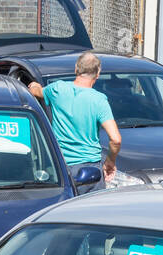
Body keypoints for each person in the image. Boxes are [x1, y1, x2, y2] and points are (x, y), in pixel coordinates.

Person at [28, 51, 121, 193]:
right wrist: (110, 161)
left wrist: (33, 85)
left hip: (61, 169)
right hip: (91, 172)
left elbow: (37, 92)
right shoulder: (99, 100)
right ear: (98, 74)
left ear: (76, 69)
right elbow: (115, 139)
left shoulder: (57, 89)